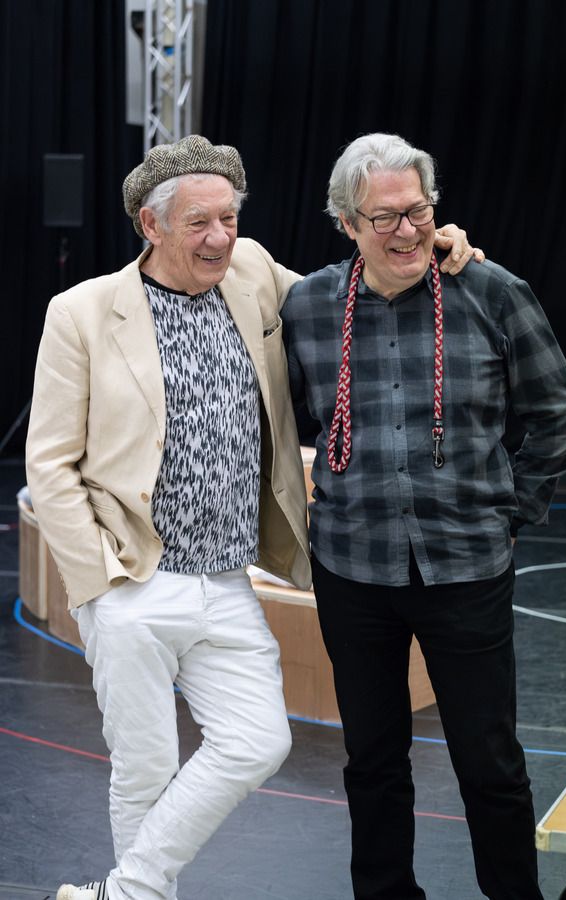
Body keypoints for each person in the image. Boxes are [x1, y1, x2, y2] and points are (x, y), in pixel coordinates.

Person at [25, 134, 477, 900]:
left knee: (258, 741)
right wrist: (99, 582)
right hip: (134, 577)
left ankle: (118, 894)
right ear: (151, 226)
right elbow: (50, 464)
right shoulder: (82, 312)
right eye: (199, 223)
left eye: (229, 218)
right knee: (145, 766)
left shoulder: (254, 272)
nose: (220, 238)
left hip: (229, 578)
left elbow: (358, 295)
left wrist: (432, 243)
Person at [281, 132, 566, 900]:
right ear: (346, 223)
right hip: (352, 567)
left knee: (488, 761)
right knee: (372, 759)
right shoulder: (310, 306)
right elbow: (283, 417)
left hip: (466, 566)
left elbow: (560, 412)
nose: (408, 230)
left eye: (418, 210)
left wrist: (512, 509)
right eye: (382, 218)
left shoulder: (491, 292)